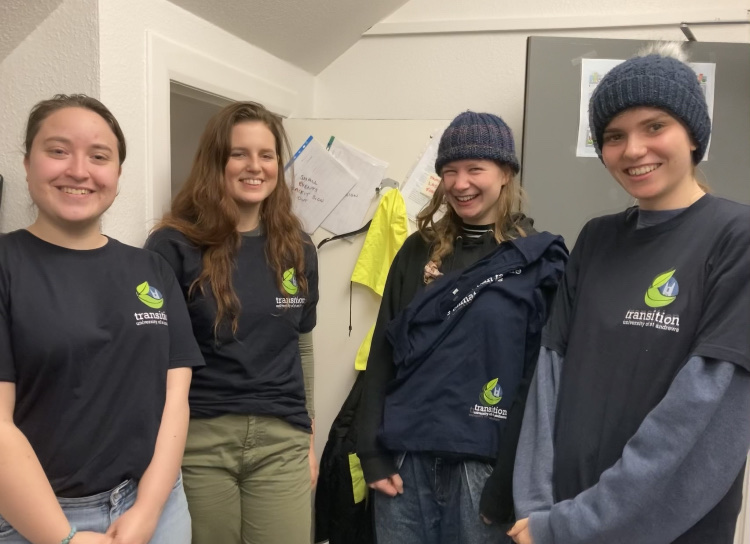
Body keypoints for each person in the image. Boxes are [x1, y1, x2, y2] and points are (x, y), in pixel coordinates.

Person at [509, 43, 750, 544]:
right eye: (614, 136)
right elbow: (550, 375)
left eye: (655, 126)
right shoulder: (596, 237)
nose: (633, 150)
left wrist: (575, 526)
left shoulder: (736, 236)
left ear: (693, 134)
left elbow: (706, 421)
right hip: (560, 520)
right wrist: (538, 511)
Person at [356, 111, 568, 544]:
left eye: (475, 169)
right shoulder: (419, 251)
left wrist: (508, 479)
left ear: (505, 173)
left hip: (484, 466)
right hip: (404, 461)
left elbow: (538, 382)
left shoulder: (538, 260)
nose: (460, 183)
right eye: (449, 171)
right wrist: (371, 452)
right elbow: (382, 351)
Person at [0, 94, 203, 544]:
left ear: (117, 174)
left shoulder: (152, 270)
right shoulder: (6, 264)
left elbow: (175, 399)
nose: (78, 170)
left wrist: (149, 510)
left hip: (158, 504)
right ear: (27, 163)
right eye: (57, 150)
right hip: (32, 516)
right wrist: (64, 537)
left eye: (99, 156)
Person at [145, 101, 319, 544]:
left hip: (282, 440)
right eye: (239, 153)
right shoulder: (173, 245)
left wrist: (309, 438)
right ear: (215, 162)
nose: (254, 166)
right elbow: (156, 360)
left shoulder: (297, 246)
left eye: (266, 154)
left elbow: (301, 346)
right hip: (199, 439)